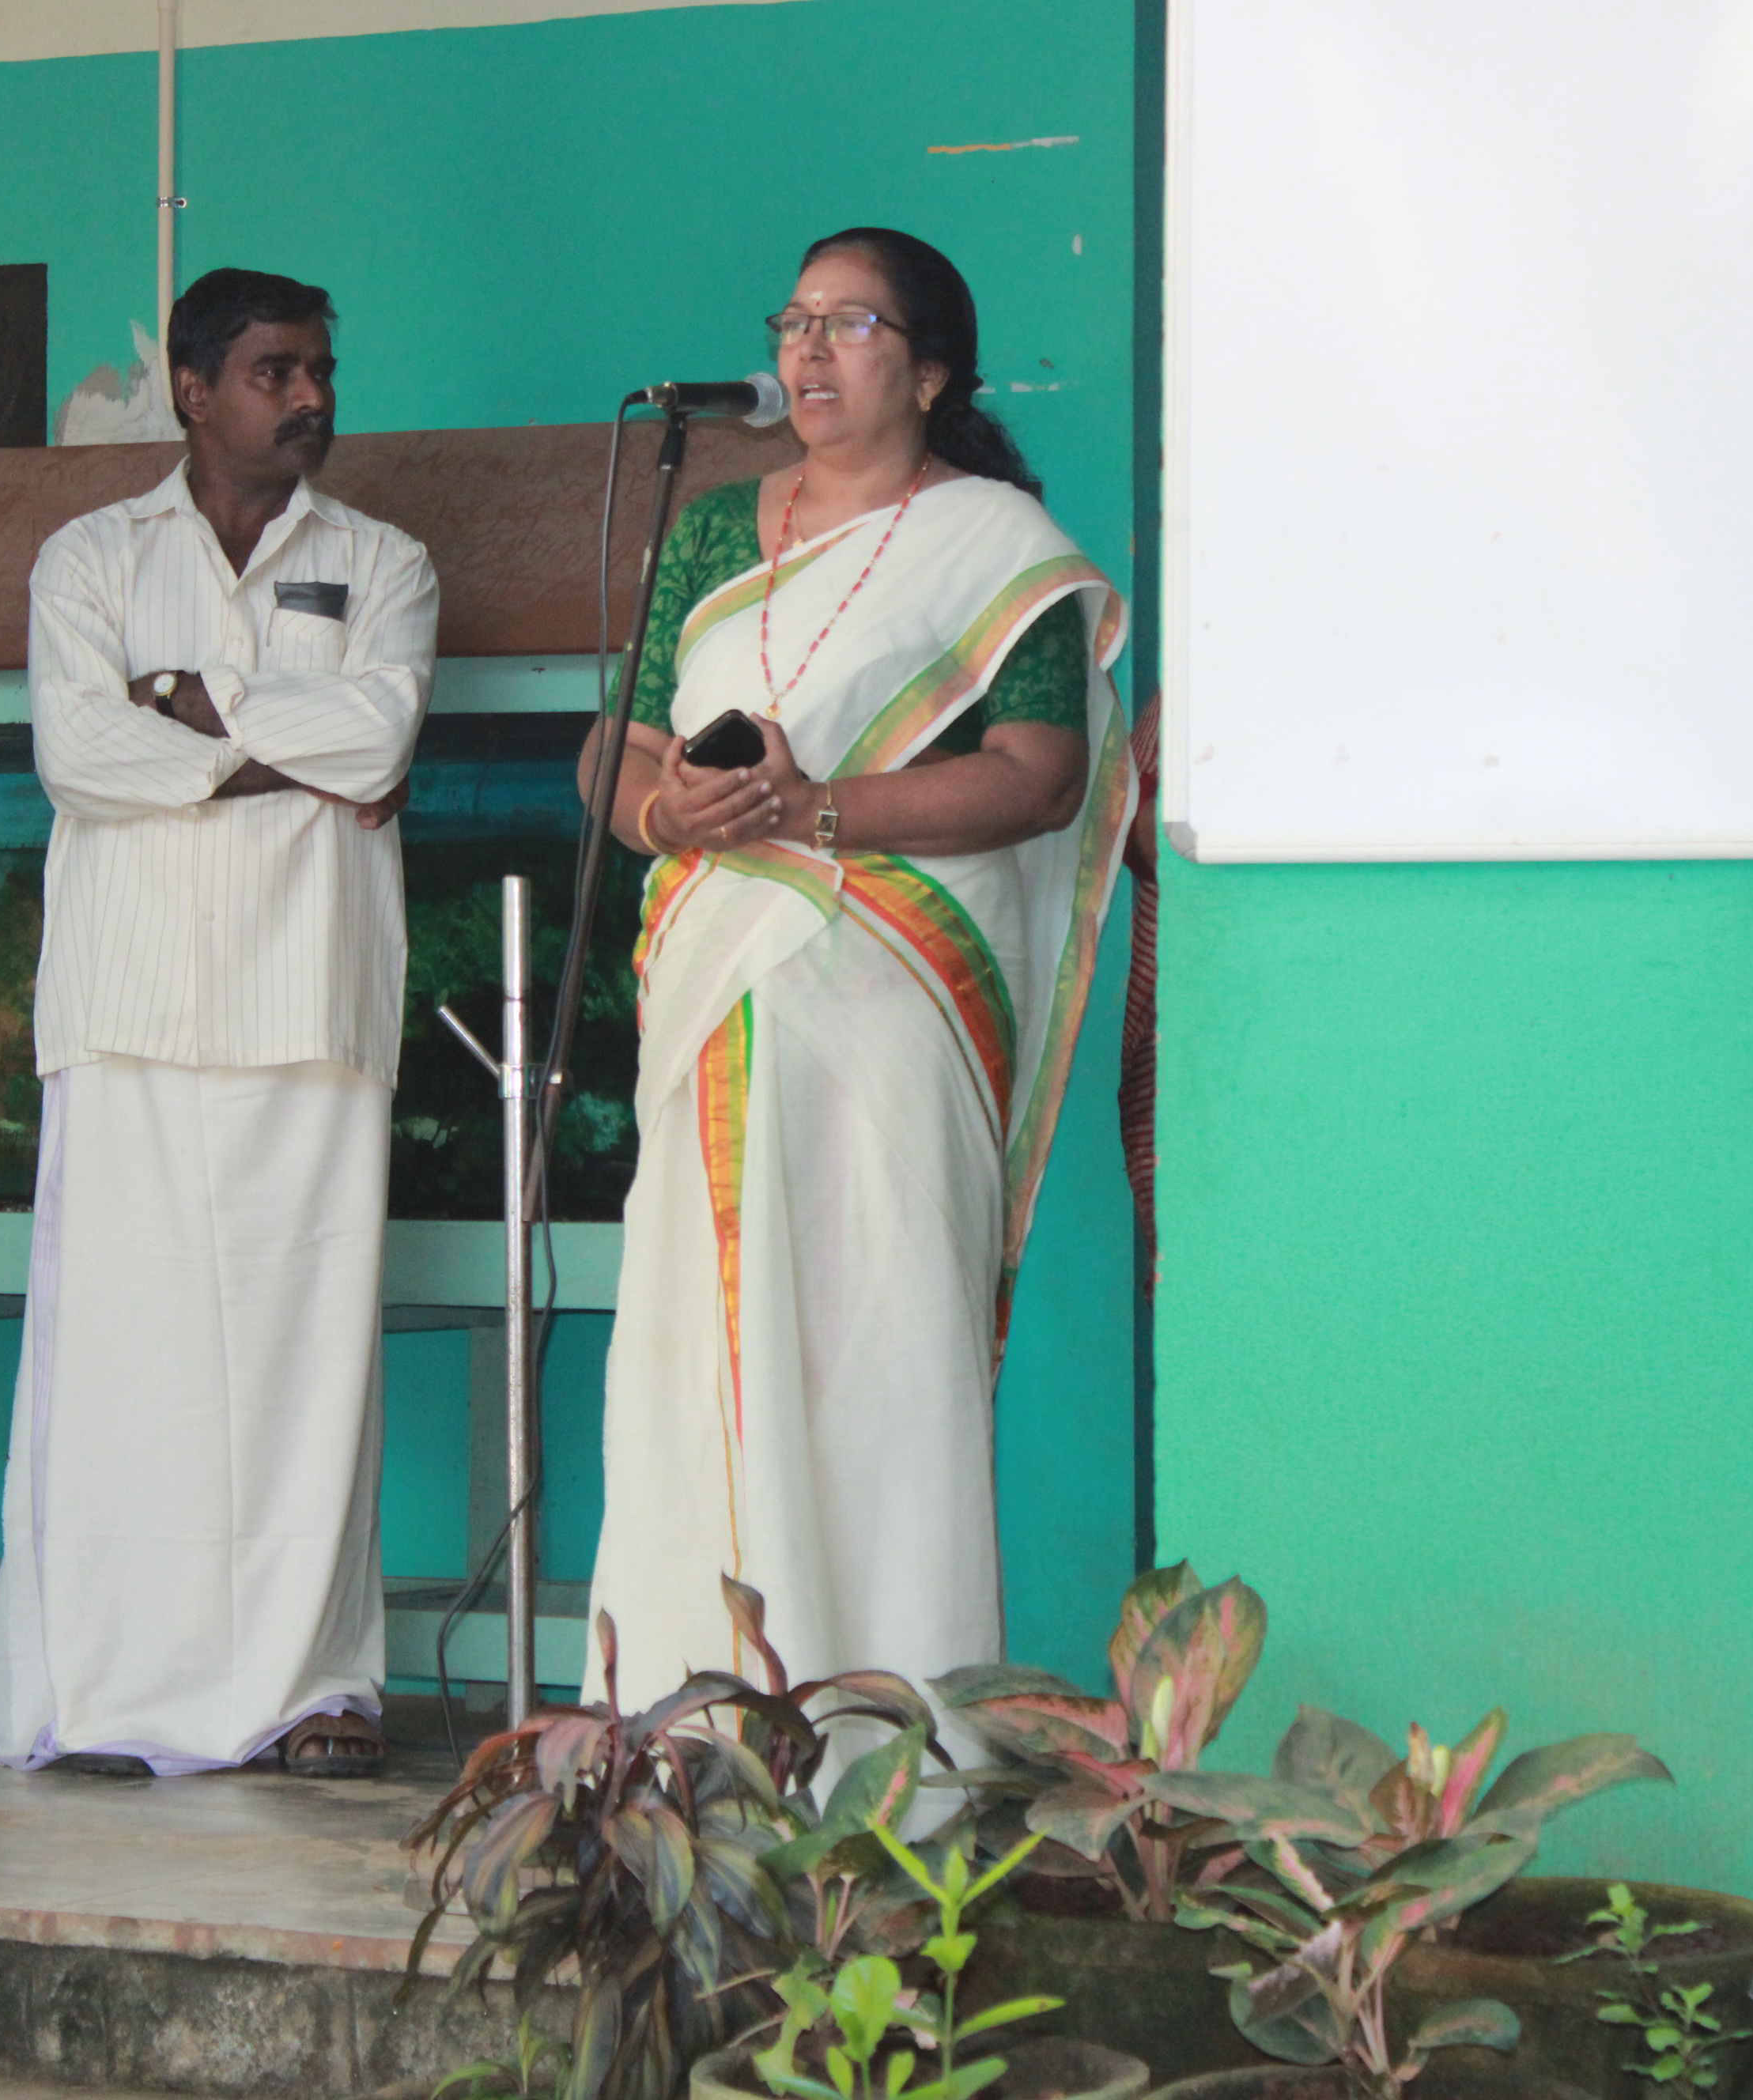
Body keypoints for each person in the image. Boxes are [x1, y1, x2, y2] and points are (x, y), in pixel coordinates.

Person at [579, 228, 1132, 1723]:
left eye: (853, 324)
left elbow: (1040, 777)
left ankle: (891, 1738)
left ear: (933, 370)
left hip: (893, 1003)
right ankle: (691, 1728)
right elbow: (620, 745)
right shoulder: (713, 528)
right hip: (714, 984)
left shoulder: (998, 541)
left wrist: (813, 810)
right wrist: (669, 813)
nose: (809, 350)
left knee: (876, 1350)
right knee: (700, 1345)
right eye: (795, 321)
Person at [0, 267, 436, 1780]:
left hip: (311, 998)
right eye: (273, 371)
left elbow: (381, 733)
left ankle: (316, 1689)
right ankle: (110, 1685)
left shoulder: (385, 563)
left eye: (321, 370)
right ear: (193, 390)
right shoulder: (90, 558)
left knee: (308, 1365)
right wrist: (282, 754)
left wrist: (194, 708)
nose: (309, 397)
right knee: (125, 1365)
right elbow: (78, 752)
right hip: (127, 1008)